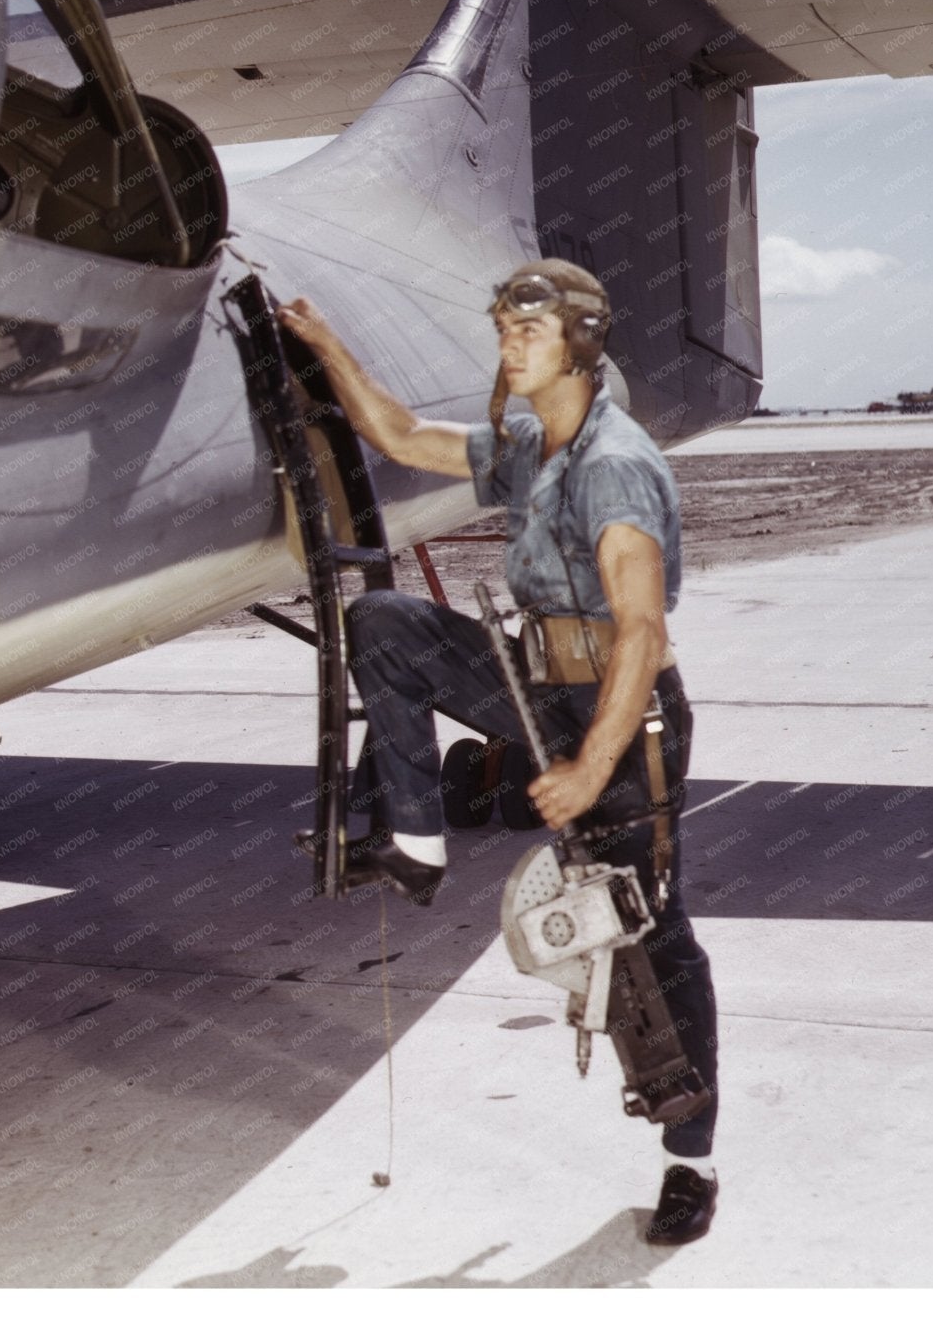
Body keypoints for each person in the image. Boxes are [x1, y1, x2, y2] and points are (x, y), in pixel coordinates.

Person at [277, 258, 721, 1245]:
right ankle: (416, 842)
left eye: (527, 331)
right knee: (385, 622)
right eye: (501, 330)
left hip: (622, 715)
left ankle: (689, 1156)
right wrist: (323, 346)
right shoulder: (533, 449)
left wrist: (585, 769)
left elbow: (640, 636)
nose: (506, 346)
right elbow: (396, 435)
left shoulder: (612, 462)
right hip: (537, 686)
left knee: (645, 937)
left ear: (582, 342)